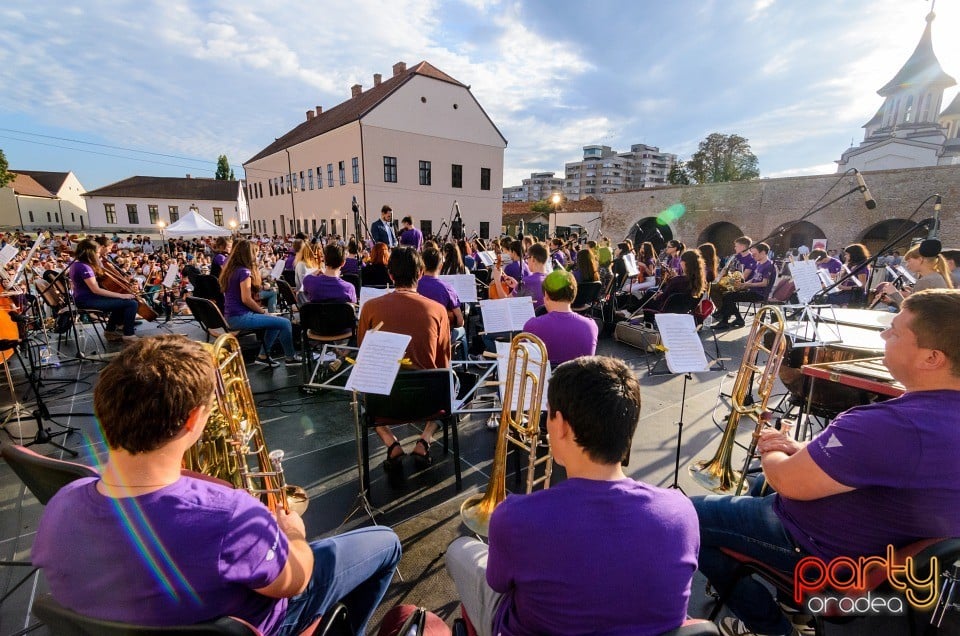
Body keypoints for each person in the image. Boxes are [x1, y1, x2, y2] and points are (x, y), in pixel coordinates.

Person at [32, 335, 401, 635]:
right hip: (265, 622)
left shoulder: (62, 504)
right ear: (193, 420)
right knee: (385, 542)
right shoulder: (230, 517)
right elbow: (295, 582)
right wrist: (294, 536)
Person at [693, 289, 960, 636]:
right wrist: (799, 446)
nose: (882, 335)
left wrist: (771, 447)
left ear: (931, 358)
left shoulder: (887, 425)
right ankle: (792, 603)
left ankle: (771, 628)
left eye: (894, 331)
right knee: (756, 485)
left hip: (822, 551)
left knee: (686, 517)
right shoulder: (924, 422)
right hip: (889, 548)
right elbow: (881, 463)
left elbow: (787, 481)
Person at [445, 356, 699, 636]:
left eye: (548, 415)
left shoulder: (514, 517)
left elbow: (499, 584)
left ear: (562, 426)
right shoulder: (682, 512)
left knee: (460, 551)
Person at [358, 246, 451, 469]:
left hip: (384, 403)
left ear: (390, 275)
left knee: (363, 400)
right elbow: (444, 362)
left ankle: (391, 444)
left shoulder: (370, 307)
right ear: (420, 273)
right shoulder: (438, 310)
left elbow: (364, 354)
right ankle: (425, 439)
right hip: (429, 401)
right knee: (451, 389)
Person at [220, 239, 301, 366]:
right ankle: (290, 357)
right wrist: (263, 312)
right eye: (255, 253)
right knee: (285, 323)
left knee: (274, 323)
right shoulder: (244, 272)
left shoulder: (231, 270)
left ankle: (263, 355)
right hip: (240, 317)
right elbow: (246, 299)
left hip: (231, 315)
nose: (256, 256)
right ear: (248, 254)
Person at [68, 238, 139, 343]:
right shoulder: (84, 267)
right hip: (87, 300)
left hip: (85, 298)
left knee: (121, 304)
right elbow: (96, 290)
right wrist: (121, 295)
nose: (98, 255)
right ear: (90, 253)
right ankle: (129, 335)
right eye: (96, 253)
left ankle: (110, 332)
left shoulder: (77, 265)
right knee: (131, 304)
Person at [522, 269, 598, 365]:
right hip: (579, 380)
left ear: (546, 295)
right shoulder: (591, 326)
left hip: (546, 380)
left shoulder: (532, 325)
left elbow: (524, 362)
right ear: (574, 294)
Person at [418, 246, 467, 361]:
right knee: (463, 332)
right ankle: (464, 364)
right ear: (440, 266)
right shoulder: (447, 288)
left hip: (418, 335)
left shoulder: (413, 285)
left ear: (422, 265)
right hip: (440, 336)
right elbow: (460, 321)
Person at [713, 242, 776, 330]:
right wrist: (743, 285)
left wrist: (747, 285)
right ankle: (734, 319)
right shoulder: (759, 263)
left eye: (755, 254)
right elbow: (754, 279)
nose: (753, 256)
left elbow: (765, 283)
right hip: (752, 290)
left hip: (760, 294)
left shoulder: (769, 265)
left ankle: (726, 320)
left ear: (763, 252)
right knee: (726, 293)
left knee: (728, 297)